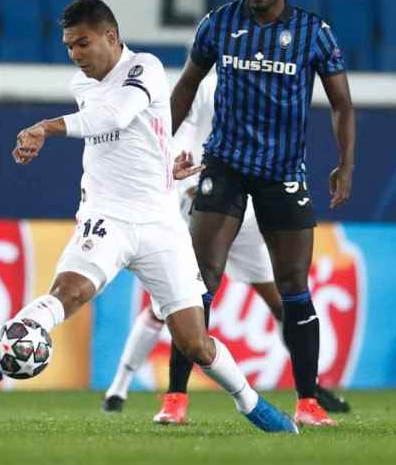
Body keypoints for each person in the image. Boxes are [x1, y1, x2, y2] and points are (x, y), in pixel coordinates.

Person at [0, 0, 297, 434]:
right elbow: (120, 131)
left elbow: (118, 115)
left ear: (111, 37)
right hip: (107, 218)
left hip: (160, 225)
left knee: (195, 343)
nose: (75, 55)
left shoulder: (146, 68)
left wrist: (46, 127)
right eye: (68, 46)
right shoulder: (82, 86)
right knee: (70, 292)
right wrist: (162, 164)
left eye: (83, 43)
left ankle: (250, 404)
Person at [168, 0, 356, 427]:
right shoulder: (220, 22)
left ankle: (309, 403)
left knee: (294, 286)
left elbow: (341, 104)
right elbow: (187, 84)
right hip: (225, 167)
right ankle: (175, 399)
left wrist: (345, 163)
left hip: (281, 174)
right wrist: (158, 146)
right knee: (198, 281)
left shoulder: (314, 33)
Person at [101, 78, 351, 422]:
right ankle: (135, 390)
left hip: (248, 214)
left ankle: (310, 389)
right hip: (205, 203)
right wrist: (187, 185)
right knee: (175, 304)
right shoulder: (209, 79)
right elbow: (180, 128)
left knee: (282, 301)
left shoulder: (270, 73)